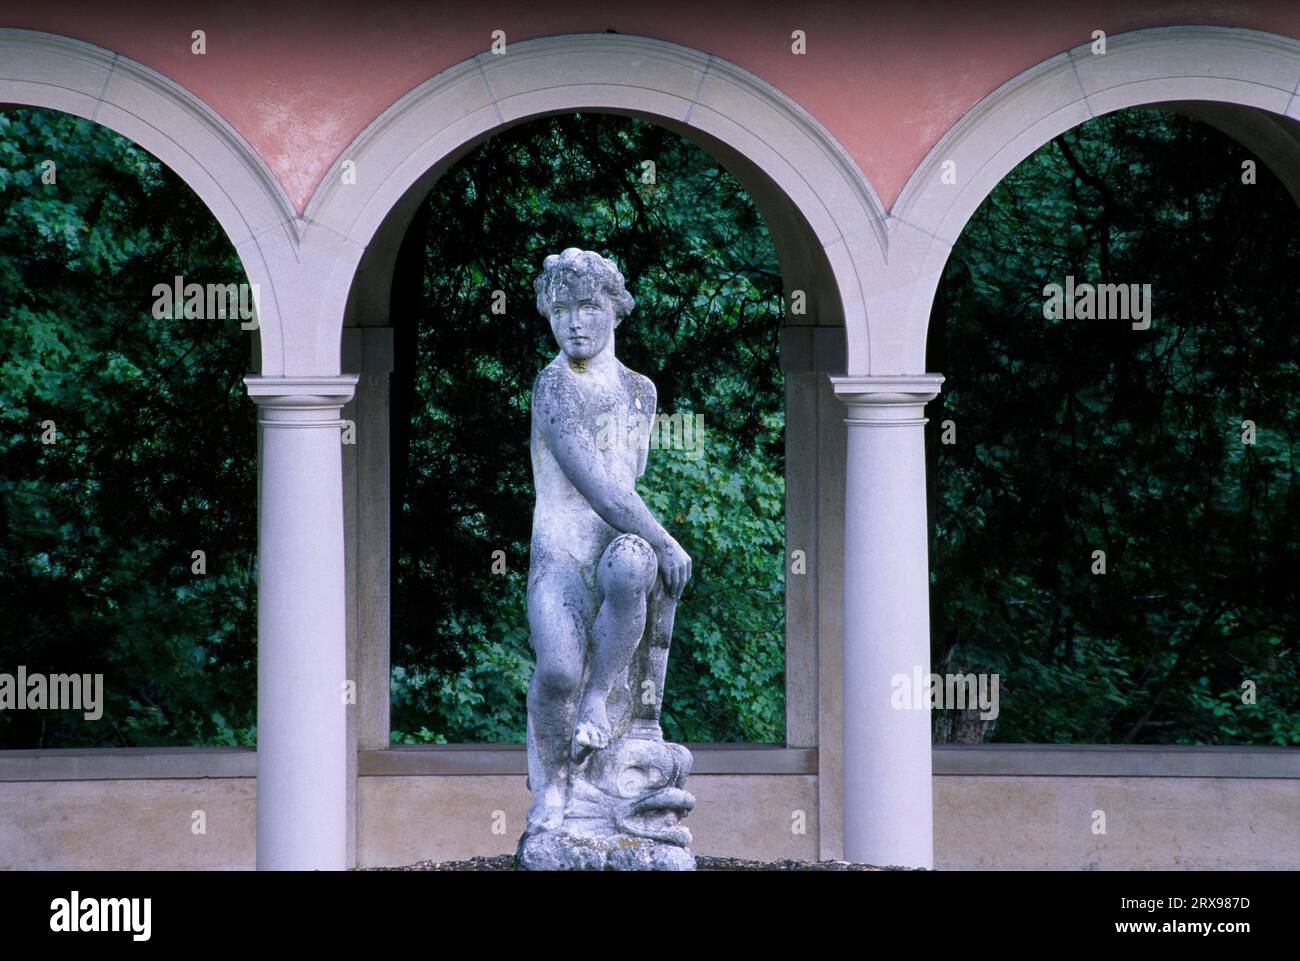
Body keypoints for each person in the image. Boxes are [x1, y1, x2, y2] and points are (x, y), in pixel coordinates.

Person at [523, 247, 691, 836]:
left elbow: (629, 481)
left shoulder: (641, 392)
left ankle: (601, 699)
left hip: (614, 551)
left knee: (632, 560)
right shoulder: (553, 388)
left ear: (616, 310)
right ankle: (550, 785)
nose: (574, 322)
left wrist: (653, 545)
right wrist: (668, 540)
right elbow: (601, 488)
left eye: (589, 307)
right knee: (559, 670)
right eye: (561, 309)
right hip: (561, 553)